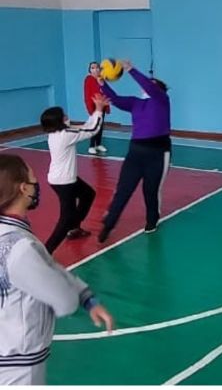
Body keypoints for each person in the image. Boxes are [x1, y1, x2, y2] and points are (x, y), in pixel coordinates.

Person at [0, 153, 113, 385]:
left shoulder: (14, 237)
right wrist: (78, 297)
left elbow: (47, 267)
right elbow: (64, 301)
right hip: (17, 366)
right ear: (23, 188)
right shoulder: (21, 248)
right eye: (33, 180)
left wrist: (87, 298)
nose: (36, 185)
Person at [98, 61, 171, 243]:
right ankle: (109, 224)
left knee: (150, 190)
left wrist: (131, 70)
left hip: (158, 153)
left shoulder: (162, 100)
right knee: (123, 189)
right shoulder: (135, 103)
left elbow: (150, 87)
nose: (147, 85)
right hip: (135, 152)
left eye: (152, 83)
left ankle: (152, 219)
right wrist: (102, 83)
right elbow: (115, 99)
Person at [40, 95, 107, 254]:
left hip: (63, 179)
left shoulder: (56, 133)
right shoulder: (66, 135)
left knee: (88, 194)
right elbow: (92, 130)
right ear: (59, 121)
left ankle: (74, 228)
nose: (67, 116)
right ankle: (46, 251)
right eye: (63, 115)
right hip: (64, 182)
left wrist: (96, 112)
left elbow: (85, 127)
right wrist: (99, 110)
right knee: (66, 219)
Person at [84, 62, 110, 155]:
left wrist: (107, 106)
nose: (95, 69)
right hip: (94, 106)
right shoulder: (88, 79)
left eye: (97, 67)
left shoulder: (101, 79)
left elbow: (106, 92)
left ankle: (98, 144)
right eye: (93, 68)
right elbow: (87, 95)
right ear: (90, 70)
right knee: (94, 126)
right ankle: (91, 146)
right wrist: (90, 109)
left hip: (102, 105)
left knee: (100, 126)